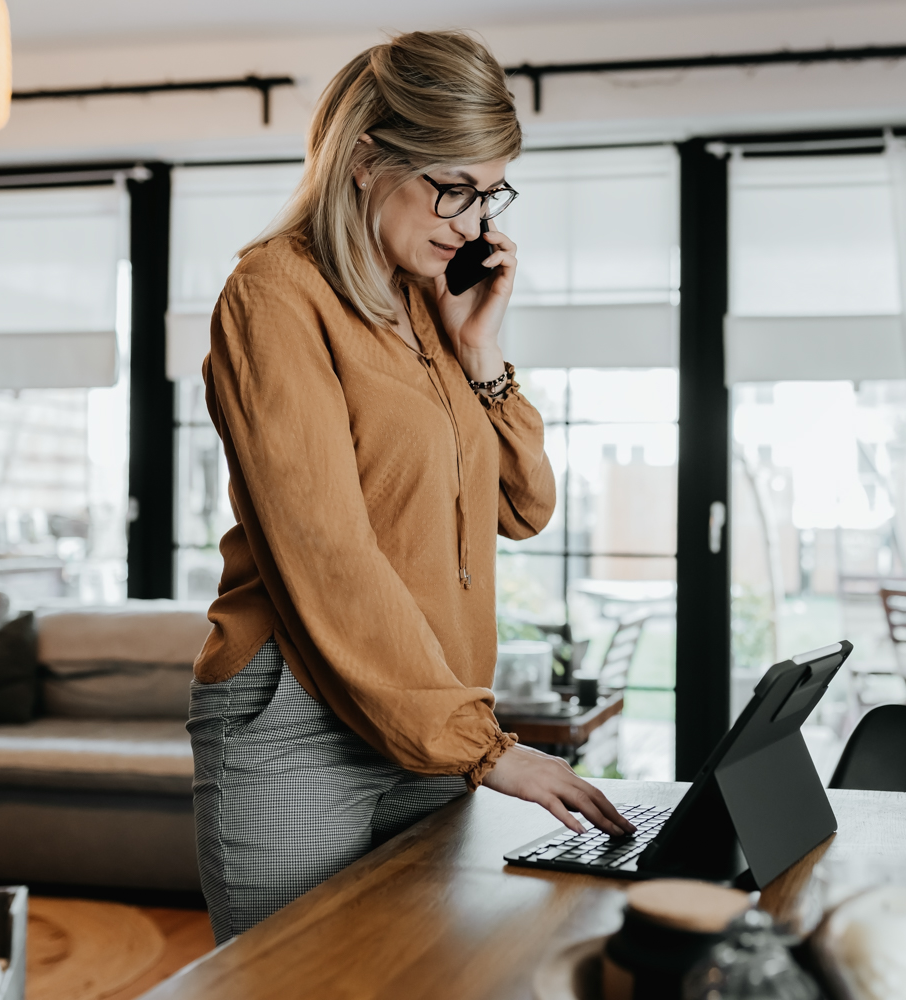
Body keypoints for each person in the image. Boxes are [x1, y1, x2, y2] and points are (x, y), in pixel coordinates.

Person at [186, 30, 634, 944]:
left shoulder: (429, 300)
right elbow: (326, 552)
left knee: (416, 972)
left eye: (490, 192)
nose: (473, 223)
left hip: (430, 705)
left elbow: (524, 508)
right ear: (363, 160)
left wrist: (480, 351)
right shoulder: (273, 294)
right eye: (454, 187)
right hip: (299, 714)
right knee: (296, 981)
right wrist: (483, 749)